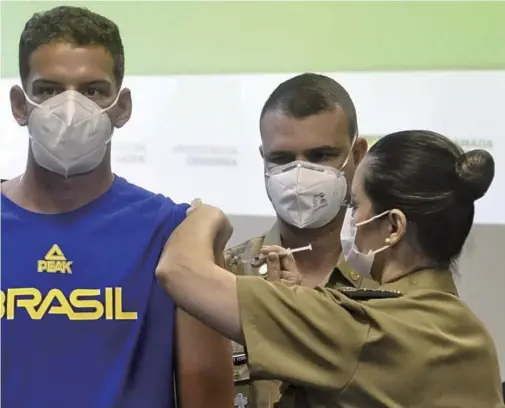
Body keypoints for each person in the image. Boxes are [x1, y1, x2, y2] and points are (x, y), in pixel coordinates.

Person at [156, 130, 505, 407]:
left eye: (355, 205)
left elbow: (179, 271)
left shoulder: (361, 330)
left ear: (393, 227)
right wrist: (306, 304)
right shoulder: (471, 336)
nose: (350, 219)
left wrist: (206, 216)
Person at [0, 6, 233, 408]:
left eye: (92, 90)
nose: (69, 109)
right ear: (20, 106)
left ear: (121, 107)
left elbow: (210, 401)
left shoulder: (174, 235)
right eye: (48, 90)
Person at [225, 73, 378, 406]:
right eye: (281, 159)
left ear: (358, 154)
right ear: (263, 158)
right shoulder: (225, 276)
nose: (299, 176)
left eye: (321, 156)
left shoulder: (392, 277)